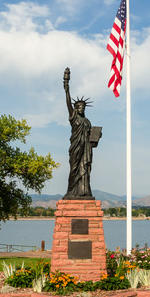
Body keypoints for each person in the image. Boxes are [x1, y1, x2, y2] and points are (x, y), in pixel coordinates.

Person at [63, 67, 94, 199]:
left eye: (83, 107)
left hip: (86, 149)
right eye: (79, 107)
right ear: (76, 108)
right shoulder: (74, 117)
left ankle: (84, 192)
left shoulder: (87, 121)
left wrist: (96, 137)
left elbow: (92, 138)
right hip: (76, 147)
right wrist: (66, 86)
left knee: (85, 170)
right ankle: (71, 191)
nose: (81, 108)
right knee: (74, 168)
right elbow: (68, 102)